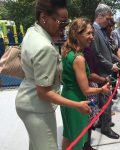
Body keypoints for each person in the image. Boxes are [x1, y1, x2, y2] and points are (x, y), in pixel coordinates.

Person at [15, 1, 90, 150]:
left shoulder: (32, 31)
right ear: (43, 17)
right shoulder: (44, 47)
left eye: (65, 23)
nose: (64, 28)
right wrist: (77, 105)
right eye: (61, 23)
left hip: (27, 100)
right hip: (37, 108)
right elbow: (44, 92)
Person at [60, 18, 110, 150]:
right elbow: (86, 90)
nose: (92, 37)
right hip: (76, 101)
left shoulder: (68, 52)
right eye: (88, 33)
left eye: (92, 33)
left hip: (66, 98)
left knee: (69, 135)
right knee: (77, 139)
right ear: (77, 34)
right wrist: (102, 90)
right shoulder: (79, 58)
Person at [91, 3, 120, 139]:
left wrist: (118, 60)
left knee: (105, 100)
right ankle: (105, 127)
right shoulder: (94, 30)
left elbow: (108, 51)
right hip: (101, 73)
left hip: (105, 71)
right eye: (108, 18)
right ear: (100, 16)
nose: (109, 21)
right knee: (105, 100)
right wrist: (111, 66)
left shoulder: (101, 29)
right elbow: (97, 54)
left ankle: (104, 122)